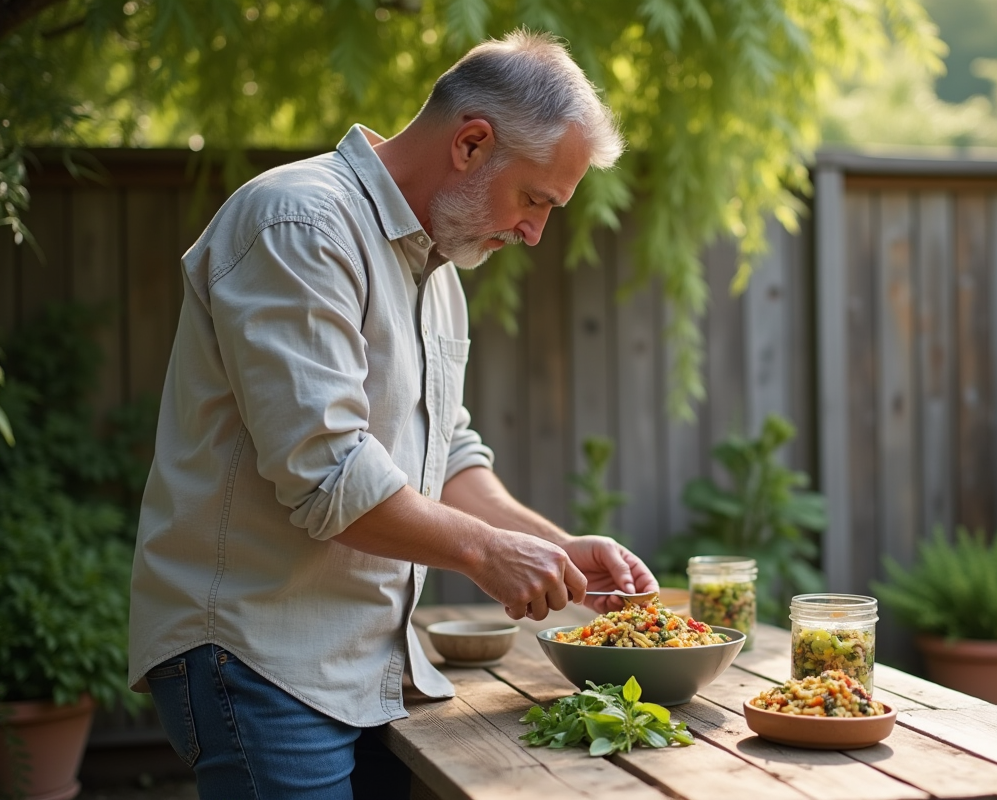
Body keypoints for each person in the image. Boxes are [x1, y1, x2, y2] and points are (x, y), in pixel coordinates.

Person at [128, 30, 657, 800]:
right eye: (536, 199)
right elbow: (329, 476)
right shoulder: (299, 224)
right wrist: (486, 555)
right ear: (472, 144)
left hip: (369, 666)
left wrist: (559, 552)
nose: (535, 233)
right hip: (258, 657)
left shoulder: (437, 270)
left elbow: (445, 458)